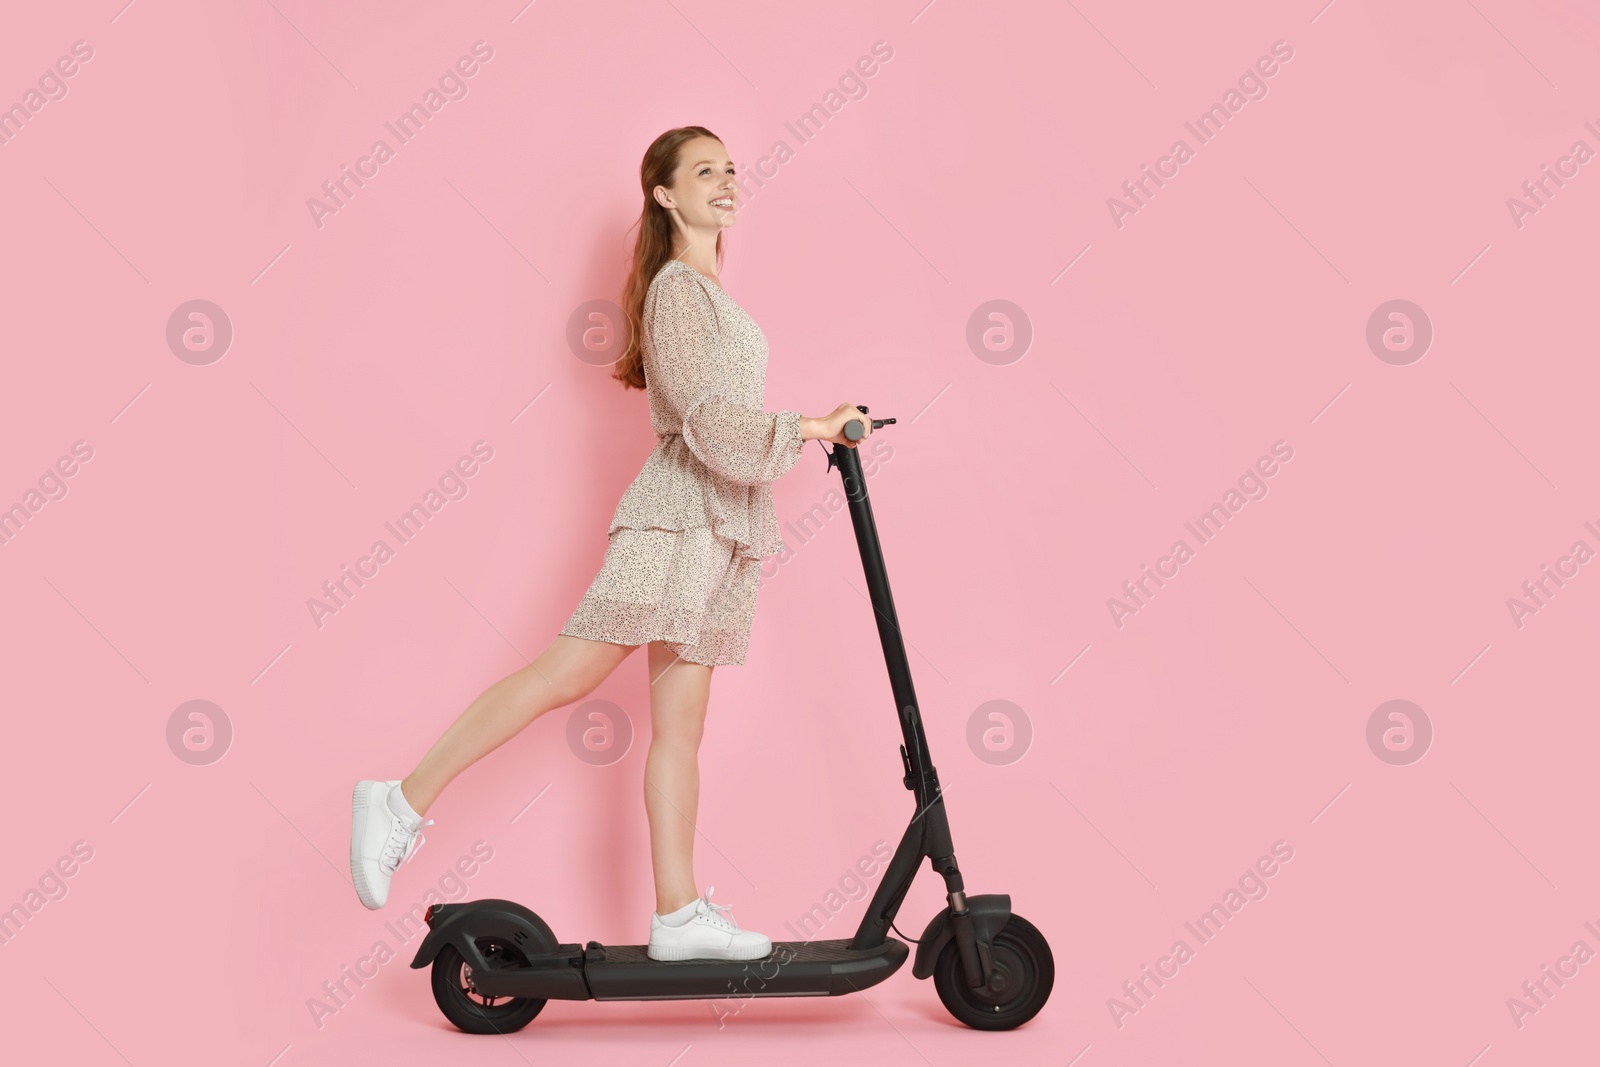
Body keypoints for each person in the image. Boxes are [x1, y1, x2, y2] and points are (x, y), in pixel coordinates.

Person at [349, 125, 872, 963]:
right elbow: (702, 417)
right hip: (675, 518)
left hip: (717, 522)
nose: (727, 180)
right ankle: (398, 801)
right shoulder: (677, 290)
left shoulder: (709, 288)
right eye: (705, 171)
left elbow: (717, 411)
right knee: (566, 672)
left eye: (730, 168)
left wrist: (807, 429)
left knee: (680, 728)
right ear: (665, 194)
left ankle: (677, 913)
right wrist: (806, 424)